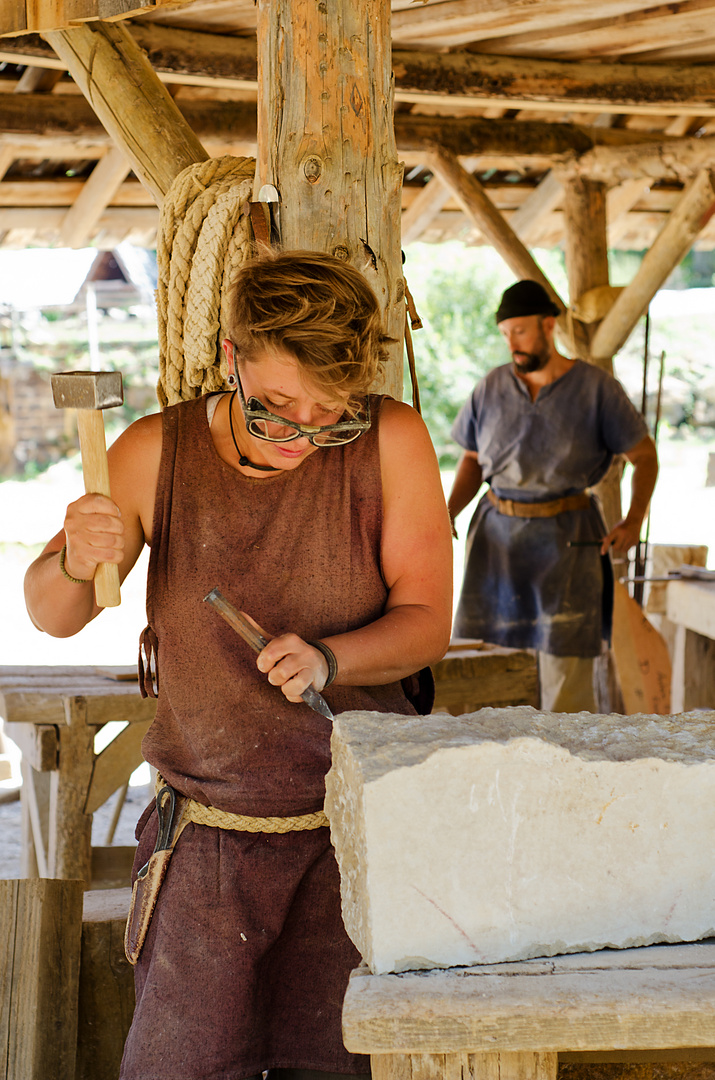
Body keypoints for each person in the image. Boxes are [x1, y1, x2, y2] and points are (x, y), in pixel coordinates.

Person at [24, 250, 453, 1080]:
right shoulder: (157, 451)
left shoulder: (388, 437)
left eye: (327, 414)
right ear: (230, 356)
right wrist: (77, 560)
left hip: (356, 829)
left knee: (338, 1064)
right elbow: (51, 613)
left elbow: (427, 620)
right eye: (273, 410)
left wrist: (333, 658)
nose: (299, 437)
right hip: (208, 837)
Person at [447, 279, 658, 713]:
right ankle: (495, 767)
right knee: (490, 662)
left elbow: (645, 456)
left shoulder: (596, 389)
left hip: (569, 540)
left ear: (549, 325)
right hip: (498, 542)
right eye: (506, 335)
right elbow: (472, 458)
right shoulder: (490, 387)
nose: (513, 345)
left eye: (520, 332)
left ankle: (565, 768)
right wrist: (446, 511)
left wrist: (634, 520)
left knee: (567, 672)